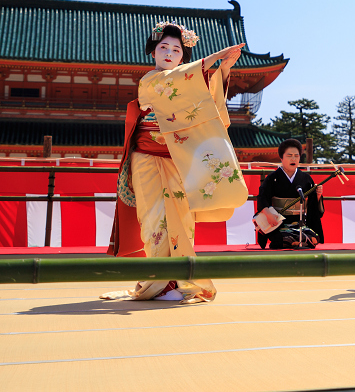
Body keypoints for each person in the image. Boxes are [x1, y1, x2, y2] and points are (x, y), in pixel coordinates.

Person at [102, 22, 248, 303]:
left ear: (183, 57)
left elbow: (211, 102)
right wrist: (213, 59)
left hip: (177, 158)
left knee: (181, 218)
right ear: (153, 53)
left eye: (176, 49)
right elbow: (178, 81)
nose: (169, 53)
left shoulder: (192, 81)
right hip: (145, 157)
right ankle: (160, 283)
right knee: (154, 217)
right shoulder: (150, 80)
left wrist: (224, 69)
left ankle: (180, 281)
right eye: (163, 47)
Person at [255, 138, 325, 249]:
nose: (293, 159)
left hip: (299, 223)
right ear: (281, 158)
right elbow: (262, 198)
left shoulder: (306, 179)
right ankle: (288, 241)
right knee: (283, 238)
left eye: (296, 156)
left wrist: (317, 196)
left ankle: (293, 241)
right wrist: (268, 215)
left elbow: (313, 208)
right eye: (289, 155)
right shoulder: (272, 178)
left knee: (313, 238)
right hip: (278, 223)